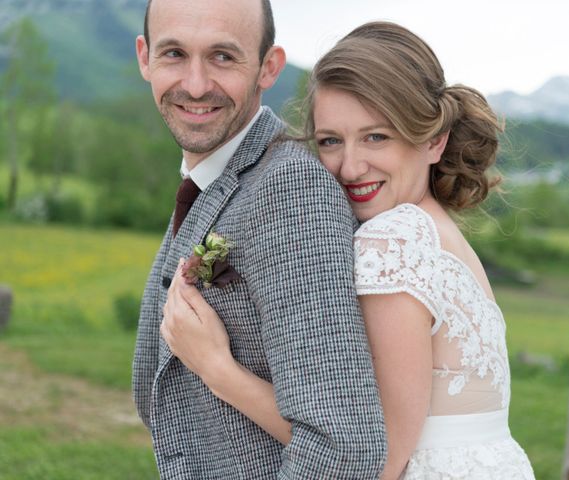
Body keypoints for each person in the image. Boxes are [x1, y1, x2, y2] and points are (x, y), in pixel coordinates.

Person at [162, 21, 537, 479]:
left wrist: (219, 369)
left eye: (376, 136)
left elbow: (375, 462)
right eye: (330, 141)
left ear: (434, 140)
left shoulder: (394, 243)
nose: (351, 167)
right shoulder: (439, 234)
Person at [132, 0, 387, 478]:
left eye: (223, 57)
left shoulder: (290, 190)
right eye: (174, 54)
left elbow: (343, 449)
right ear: (145, 57)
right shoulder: (211, 176)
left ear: (268, 67)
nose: (195, 84)